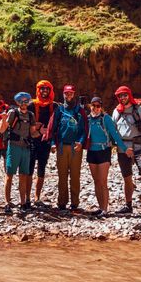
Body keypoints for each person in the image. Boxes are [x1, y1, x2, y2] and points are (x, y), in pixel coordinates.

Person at [112, 85, 141, 217]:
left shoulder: (140, 110)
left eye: (124, 95)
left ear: (129, 95)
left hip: (139, 147)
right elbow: (113, 132)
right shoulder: (116, 112)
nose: (122, 98)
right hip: (123, 149)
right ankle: (128, 205)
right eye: (120, 96)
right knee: (127, 178)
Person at [85, 97, 131, 215]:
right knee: (96, 181)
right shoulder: (88, 119)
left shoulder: (106, 119)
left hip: (104, 151)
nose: (95, 108)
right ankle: (100, 207)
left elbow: (115, 135)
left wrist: (125, 149)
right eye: (93, 106)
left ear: (101, 107)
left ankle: (105, 209)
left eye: (98, 106)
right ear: (90, 106)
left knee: (102, 181)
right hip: (91, 151)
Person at [48, 84, 87, 212]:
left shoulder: (79, 111)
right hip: (61, 147)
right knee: (62, 176)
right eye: (66, 93)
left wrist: (81, 142)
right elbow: (53, 129)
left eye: (70, 93)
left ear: (74, 94)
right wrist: (53, 142)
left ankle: (75, 203)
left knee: (75, 176)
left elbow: (83, 129)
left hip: (75, 147)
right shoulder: (59, 110)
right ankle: (62, 202)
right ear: (63, 94)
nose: (68, 95)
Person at [0, 92, 38, 213]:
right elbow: (2, 130)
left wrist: (43, 133)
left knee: (23, 175)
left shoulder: (31, 115)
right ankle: (7, 202)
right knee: (9, 174)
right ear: (17, 102)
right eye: (21, 101)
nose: (24, 104)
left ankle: (22, 202)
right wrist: (4, 120)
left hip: (25, 148)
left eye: (26, 101)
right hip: (14, 146)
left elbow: (32, 133)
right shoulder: (13, 113)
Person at [28, 80, 57, 208]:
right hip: (32, 141)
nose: (44, 91)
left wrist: (53, 141)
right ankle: (27, 197)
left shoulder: (54, 106)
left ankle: (37, 197)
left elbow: (57, 124)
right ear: (38, 90)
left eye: (47, 89)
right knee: (29, 169)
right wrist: (38, 129)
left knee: (41, 169)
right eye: (42, 89)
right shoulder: (31, 105)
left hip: (45, 142)